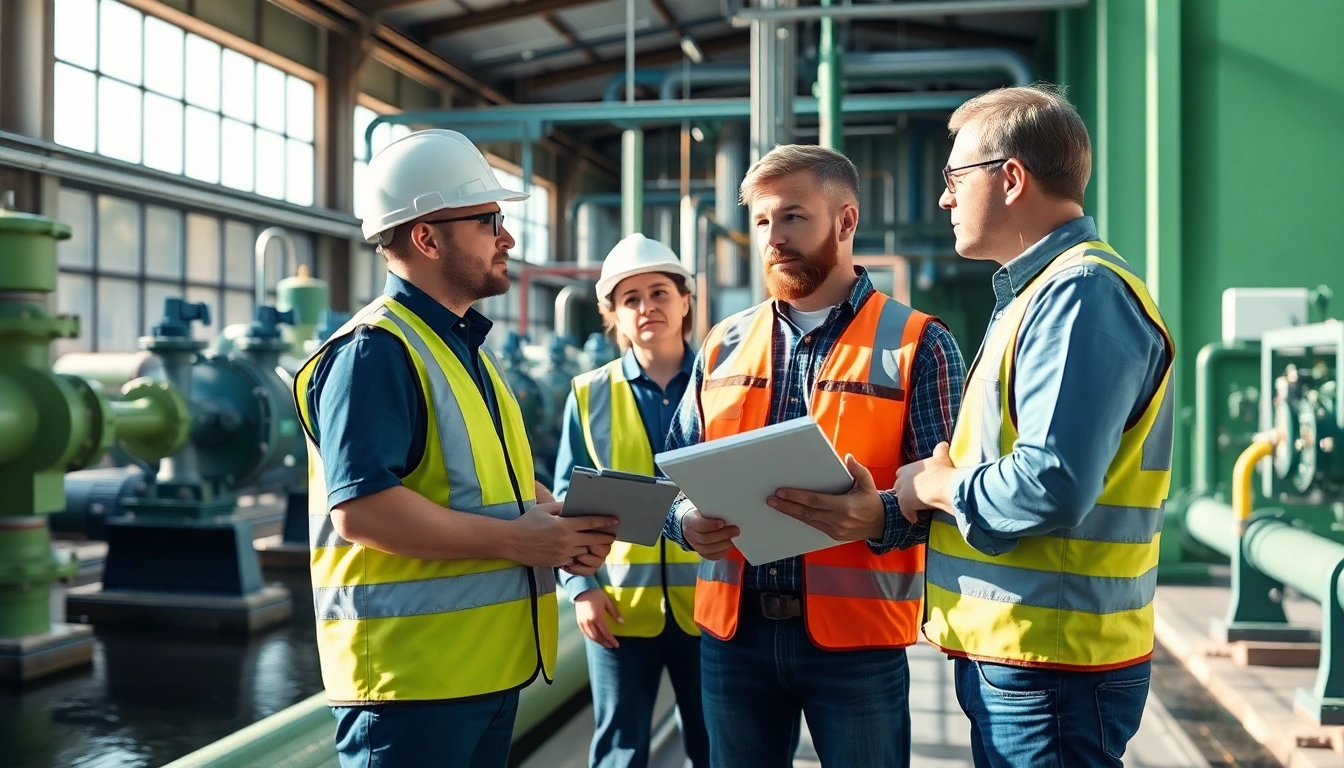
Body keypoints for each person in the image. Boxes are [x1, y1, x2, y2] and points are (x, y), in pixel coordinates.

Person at [292, 129, 619, 768]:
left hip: (484, 674)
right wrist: (520, 542)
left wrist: (558, 521)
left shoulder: (463, 351)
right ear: (426, 236)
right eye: (488, 220)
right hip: (408, 689)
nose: (508, 238)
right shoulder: (374, 353)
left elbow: (493, 487)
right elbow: (361, 511)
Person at [893, 85, 1174, 768]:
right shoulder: (1040, 295)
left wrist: (934, 488)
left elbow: (1050, 484)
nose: (945, 199)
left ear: (1011, 177)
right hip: (1029, 661)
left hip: (1051, 672)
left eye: (955, 178)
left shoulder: (1078, 293)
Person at [663, 144, 966, 768]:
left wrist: (880, 516)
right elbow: (672, 474)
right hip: (733, 638)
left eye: (793, 217)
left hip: (856, 645)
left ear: (846, 221)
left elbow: (953, 495)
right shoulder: (722, 343)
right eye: (763, 221)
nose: (773, 237)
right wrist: (686, 523)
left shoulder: (919, 343)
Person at [552, 234, 710, 768]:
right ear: (613, 314)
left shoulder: (724, 384)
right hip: (619, 608)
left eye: (659, 292)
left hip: (711, 609)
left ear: (685, 300)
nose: (648, 308)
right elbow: (564, 505)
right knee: (620, 750)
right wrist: (580, 590)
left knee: (718, 747)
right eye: (631, 299)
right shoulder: (588, 393)